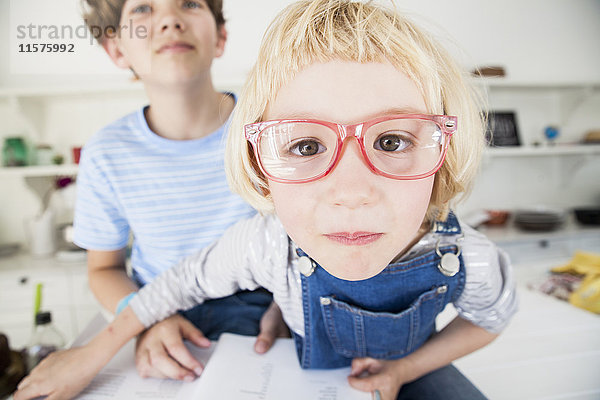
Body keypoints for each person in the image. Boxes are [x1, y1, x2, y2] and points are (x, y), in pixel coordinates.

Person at [15, 1, 518, 399]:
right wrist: (113, 341)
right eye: (306, 146)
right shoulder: (260, 240)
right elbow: (173, 279)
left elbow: (492, 316)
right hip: (191, 325)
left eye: (391, 141)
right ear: (258, 168)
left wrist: (402, 368)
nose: (351, 193)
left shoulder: (468, 258)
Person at [73, 0, 287, 383]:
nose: (170, 20)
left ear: (220, 37)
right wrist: (145, 320)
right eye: (142, 10)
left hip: (266, 315)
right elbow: (103, 268)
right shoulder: (106, 153)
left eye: (189, 4)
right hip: (158, 316)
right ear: (116, 49)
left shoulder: (271, 131)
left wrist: (289, 306)